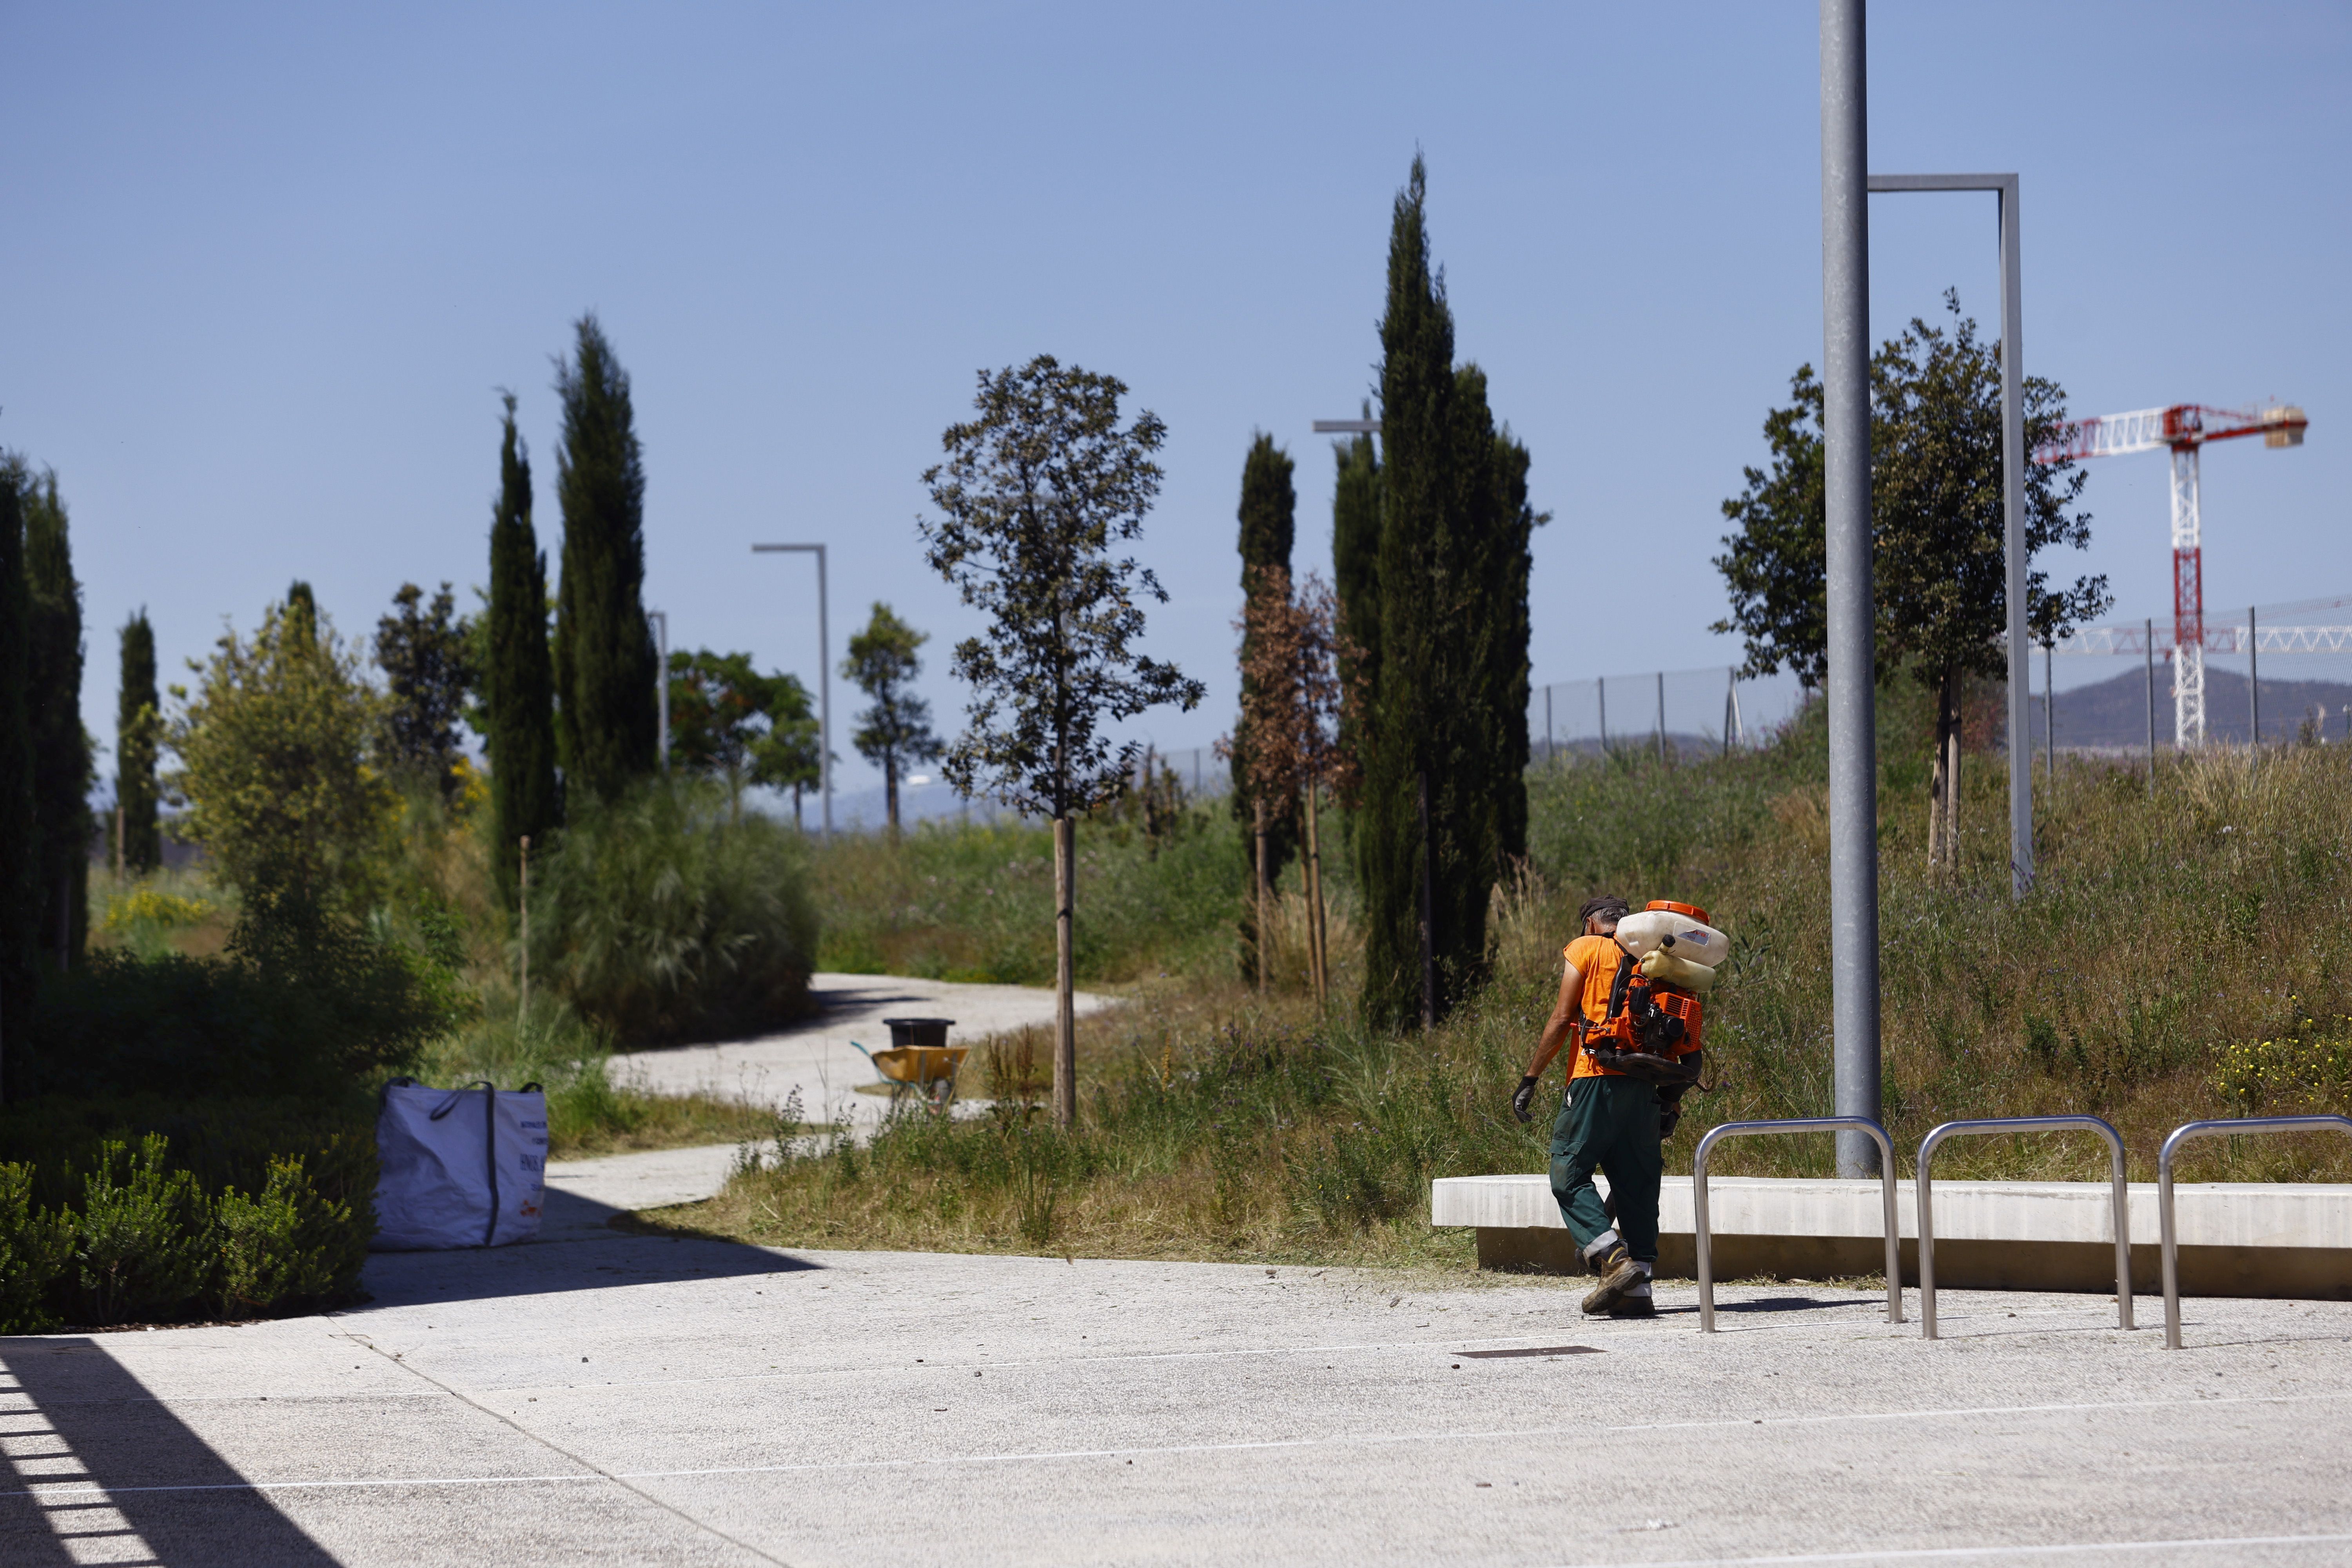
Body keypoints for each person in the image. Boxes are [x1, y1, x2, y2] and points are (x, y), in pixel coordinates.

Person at [1510, 894, 1704, 1318]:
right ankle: (1638, 1291)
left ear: (1591, 924)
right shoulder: (1657, 961)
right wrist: (1671, 1104)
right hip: (1647, 1086)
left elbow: (1562, 1019)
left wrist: (1530, 1079)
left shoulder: (1586, 948)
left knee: (1567, 1171)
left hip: (1595, 1077)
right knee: (1637, 1186)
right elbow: (1686, 1041)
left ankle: (1614, 1260)